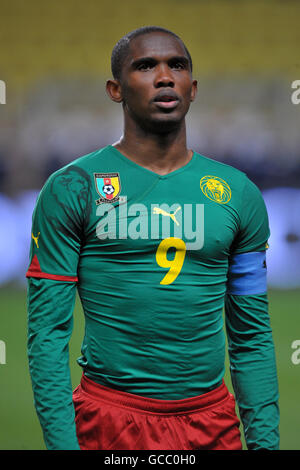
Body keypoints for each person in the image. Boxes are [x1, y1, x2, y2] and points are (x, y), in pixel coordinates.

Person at [26, 26, 279, 451]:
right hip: (108, 421)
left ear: (193, 88)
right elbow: (47, 334)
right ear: (115, 89)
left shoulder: (239, 194)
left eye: (176, 66)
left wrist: (266, 445)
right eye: (145, 66)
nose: (165, 77)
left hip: (210, 423)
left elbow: (251, 335)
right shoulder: (73, 188)